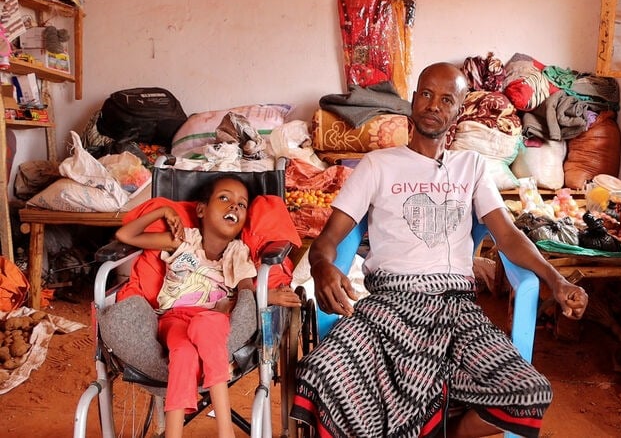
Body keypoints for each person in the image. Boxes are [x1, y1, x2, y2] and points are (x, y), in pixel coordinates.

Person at [290, 62, 589, 438]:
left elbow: (508, 236)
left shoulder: (471, 167)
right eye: (427, 94)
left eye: (447, 99)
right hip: (388, 306)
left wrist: (556, 280)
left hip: (455, 309)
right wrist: (321, 266)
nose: (434, 105)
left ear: (459, 111)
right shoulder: (377, 166)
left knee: (528, 392)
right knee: (322, 371)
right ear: (414, 100)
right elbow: (327, 241)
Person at [115, 175, 301, 438]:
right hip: (174, 319)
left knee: (206, 323)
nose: (234, 206)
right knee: (183, 353)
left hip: (214, 319)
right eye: (224, 198)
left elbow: (246, 293)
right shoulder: (182, 241)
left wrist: (268, 295)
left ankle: (225, 430)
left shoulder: (239, 253)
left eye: (241, 204)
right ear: (201, 210)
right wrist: (163, 211)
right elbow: (125, 235)